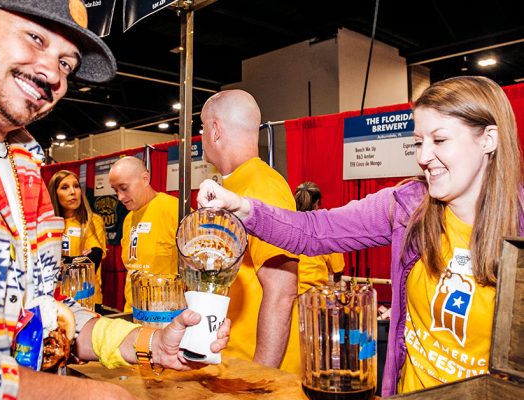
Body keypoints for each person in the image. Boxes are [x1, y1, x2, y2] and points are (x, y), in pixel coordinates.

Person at [0, 1, 229, 399]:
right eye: (35, 38)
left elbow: (52, 316)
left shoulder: (25, 166)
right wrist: (84, 395)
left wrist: (149, 342)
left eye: (66, 63)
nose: (51, 74)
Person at [197, 76, 523, 396]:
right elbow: (314, 231)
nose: (423, 157)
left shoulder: (517, 228)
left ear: (488, 139)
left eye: (439, 140)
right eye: (418, 142)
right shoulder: (408, 206)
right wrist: (243, 208)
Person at [200, 89, 302, 374]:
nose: (201, 136)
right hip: (231, 362)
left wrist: (260, 377)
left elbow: (282, 290)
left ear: (215, 130)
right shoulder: (230, 187)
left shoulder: (262, 187)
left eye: (202, 127)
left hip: (256, 371)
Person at [108, 156, 180, 312]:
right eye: (115, 190)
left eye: (124, 188)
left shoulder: (174, 210)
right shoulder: (128, 220)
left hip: (167, 317)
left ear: (145, 178)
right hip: (133, 313)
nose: (120, 197)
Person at [47, 170, 107, 312]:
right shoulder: (47, 225)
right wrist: (78, 260)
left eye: (76, 186)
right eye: (65, 187)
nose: (73, 192)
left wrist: (63, 262)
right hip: (56, 302)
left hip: (88, 300)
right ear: (54, 193)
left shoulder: (92, 221)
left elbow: (93, 259)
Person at [294, 181, 345, 291]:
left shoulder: (287, 224)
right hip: (314, 296)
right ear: (317, 203)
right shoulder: (326, 228)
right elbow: (338, 269)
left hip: (289, 293)